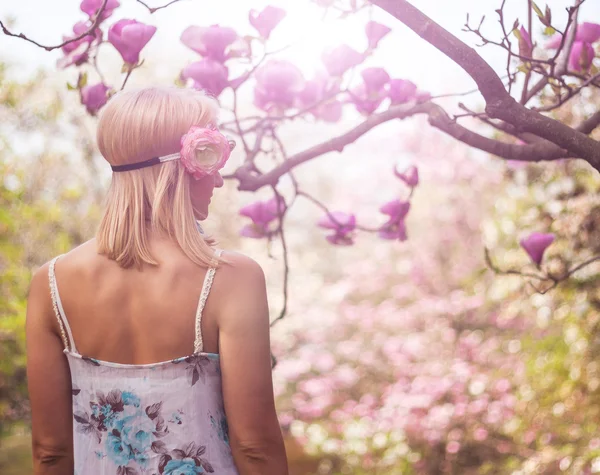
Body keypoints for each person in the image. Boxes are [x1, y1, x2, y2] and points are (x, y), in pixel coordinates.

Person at [25, 86, 288, 475]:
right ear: (178, 166)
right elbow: (254, 447)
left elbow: (49, 452)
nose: (217, 181)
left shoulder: (49, 284)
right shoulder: (232, 279)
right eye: (209, 159)